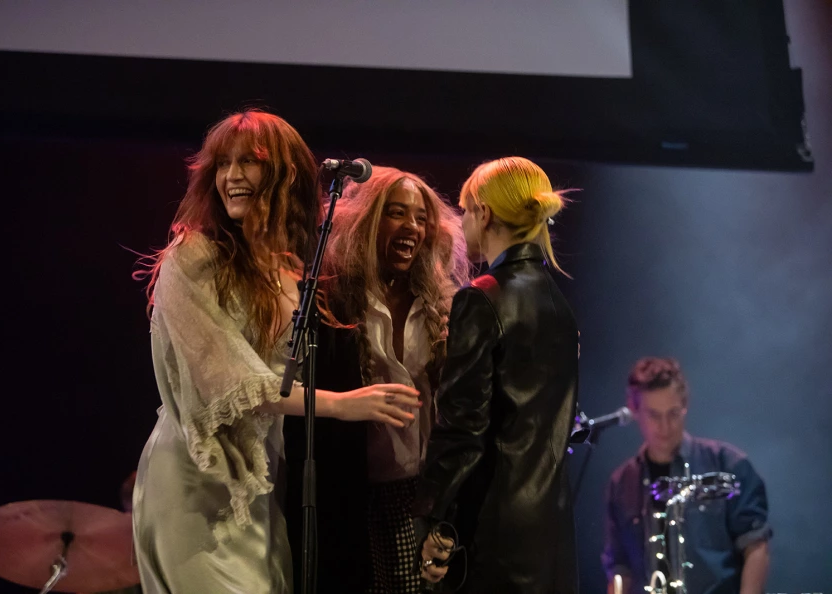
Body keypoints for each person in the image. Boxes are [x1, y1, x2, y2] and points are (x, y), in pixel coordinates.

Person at [131, 110, 420, 594]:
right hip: (195, 479)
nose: (232, 176)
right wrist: (341, 404)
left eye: (248, 162)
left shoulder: (290, 268)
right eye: (223, 164)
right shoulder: (193, 258)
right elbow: (232, 381)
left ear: (284, 173)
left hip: (264, 484)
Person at [286, 166, 468, 593]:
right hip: (351, 492)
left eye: (421, 218)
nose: (412, 227)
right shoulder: (331, 302)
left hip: (424, 493)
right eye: (397, 213)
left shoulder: (443, 304)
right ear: (366, 223)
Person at [412, 157, 579, 593]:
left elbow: (463, 426)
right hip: (551, 529)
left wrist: (433, 518)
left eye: (465, 210)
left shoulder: (481, 298)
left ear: (483, 214)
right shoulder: (559, 303)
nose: (462, 223)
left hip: (493, 531)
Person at [602, 357, 771, 594]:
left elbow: (756, 546)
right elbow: (620, 569)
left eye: (673, 414)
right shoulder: (622, 483)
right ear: (635, 411)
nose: (665, 426)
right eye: (654, 415)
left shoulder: (728, 465)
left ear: (685, 406)